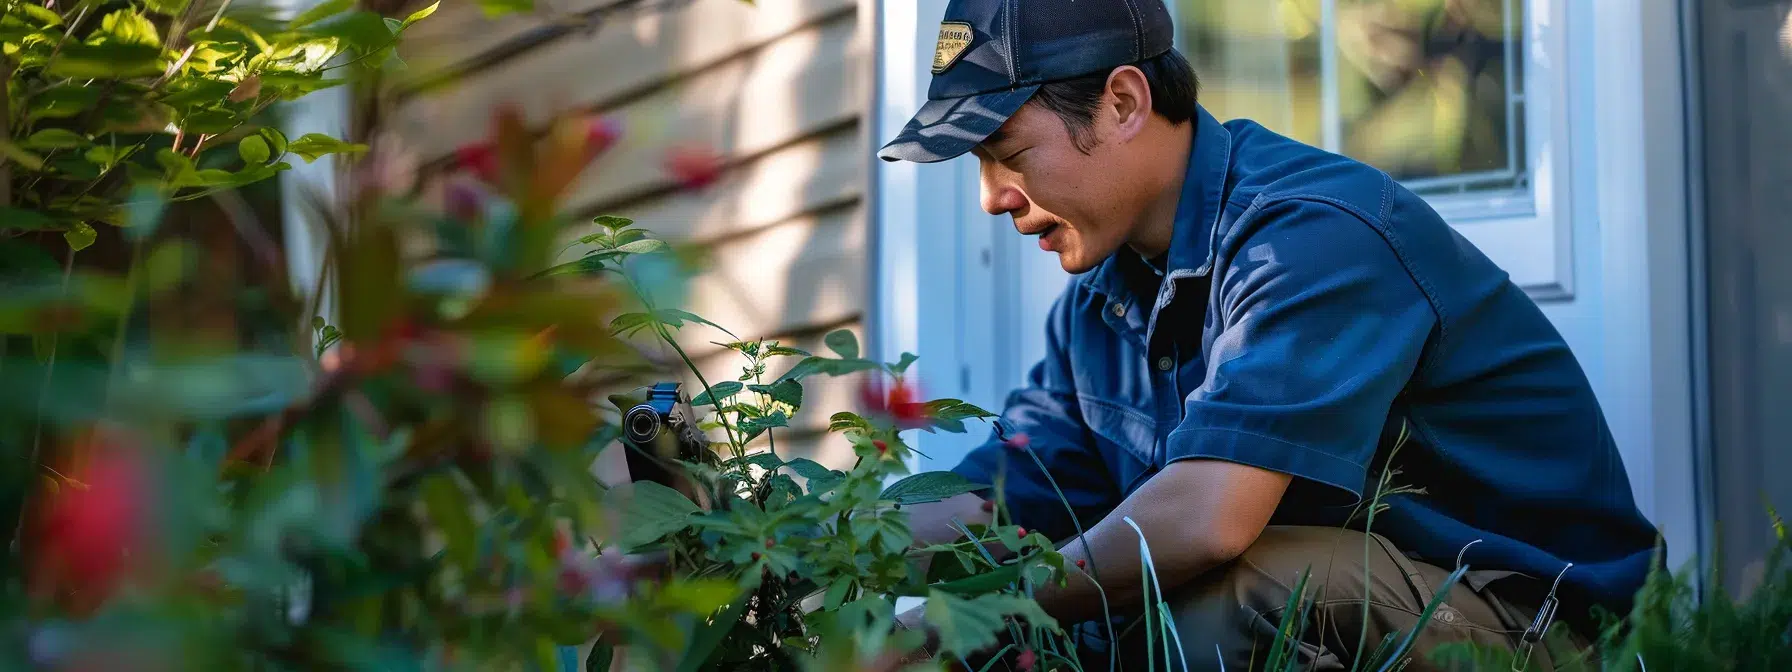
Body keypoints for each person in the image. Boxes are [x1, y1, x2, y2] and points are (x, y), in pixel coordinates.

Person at [877, 0, 1663, 669]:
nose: (991, 198)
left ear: (1123, 102)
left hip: (1533, 628)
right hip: (1370, 601)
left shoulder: (1310, 238)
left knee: (1226, 593)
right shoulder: (1101, 300)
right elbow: (1009, 501)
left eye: (1009, 155)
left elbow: (1205, 520)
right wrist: (810, 545)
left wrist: (970, 619)